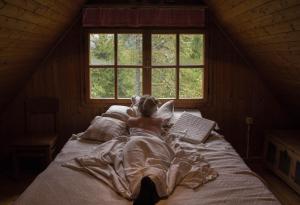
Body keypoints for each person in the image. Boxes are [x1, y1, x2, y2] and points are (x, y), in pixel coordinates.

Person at [127, 95, 163, 205]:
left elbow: (131, 115)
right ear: (155, 109)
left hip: (135, 142)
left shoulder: (132, 120)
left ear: (139, 108)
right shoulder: (159, 121)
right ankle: (153, 183)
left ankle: (138, 190)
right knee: (157, 163)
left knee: (133, 166)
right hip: (155, 142)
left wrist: (135, 106)